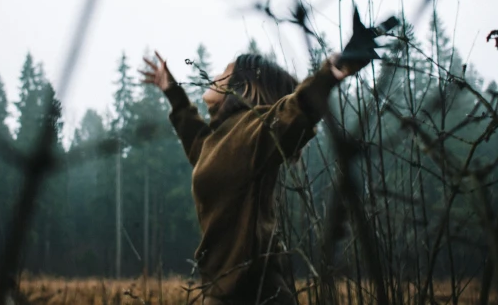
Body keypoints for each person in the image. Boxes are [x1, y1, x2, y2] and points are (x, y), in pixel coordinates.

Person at [140, 48, 369, 305]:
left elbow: (294, 111)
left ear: (244, 86)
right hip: (222, 289)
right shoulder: (220, 138)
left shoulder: (252, 131)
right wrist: (171, 90)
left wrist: (328, 75)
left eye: (225, 72)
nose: (214, 75)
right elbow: (197, 141)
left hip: (253, 292)